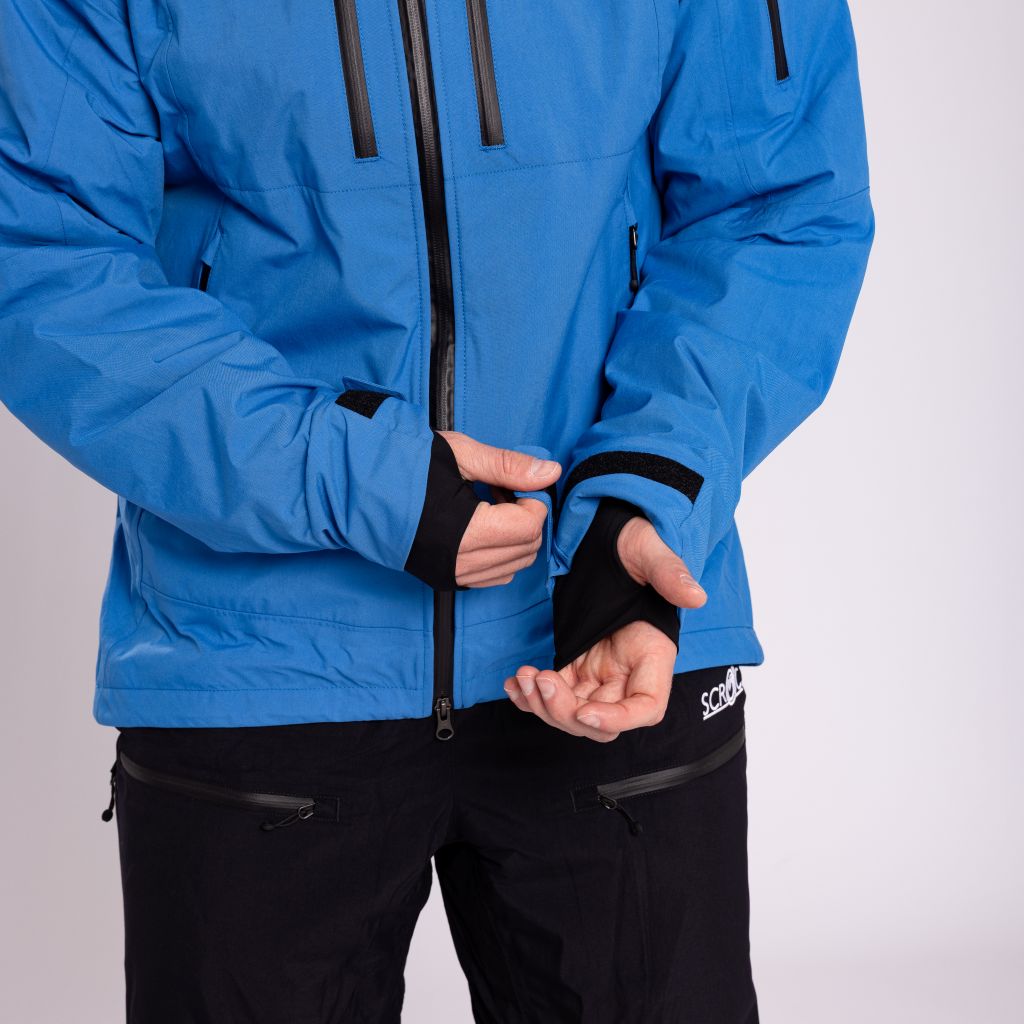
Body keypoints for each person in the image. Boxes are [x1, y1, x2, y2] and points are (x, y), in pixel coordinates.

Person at [0, 0, 873, 1020]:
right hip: (259, 654)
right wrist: (355, 475)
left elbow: (776, 206)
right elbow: (40, 253)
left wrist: (642, 488)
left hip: (608, 624)